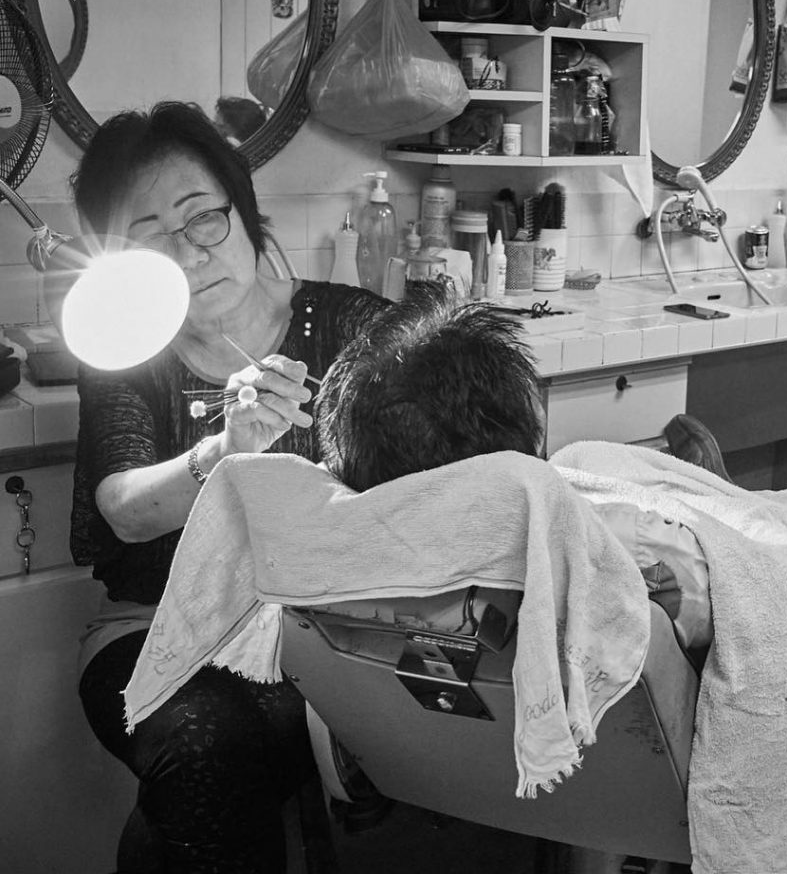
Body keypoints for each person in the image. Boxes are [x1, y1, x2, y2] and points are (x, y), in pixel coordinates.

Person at [70, 101, 388, 874]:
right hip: (154, 633)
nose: (186, 253)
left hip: (332, 628)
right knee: (209, 744)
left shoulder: (355, 327)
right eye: (149, 236)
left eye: (202, 219)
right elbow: (123, 511)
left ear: (244, 216)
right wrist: (222, 450)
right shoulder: (127, 350)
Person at [315, 281, 713, 655]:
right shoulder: (634, 547)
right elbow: (726, 601)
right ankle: (708, 482)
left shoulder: (325, 571)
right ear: (525, 433)